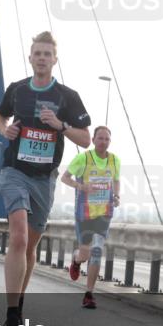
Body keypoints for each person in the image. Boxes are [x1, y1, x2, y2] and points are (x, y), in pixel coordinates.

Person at [0, 31, 91, 326]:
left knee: (30, 246)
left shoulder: (67, 96)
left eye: (47, 54)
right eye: (37, 53)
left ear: (55, 60)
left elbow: (85, 139)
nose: (42, 58)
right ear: (30, 57)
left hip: (44, 179)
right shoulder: (17, 90)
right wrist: (4, 130)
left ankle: (20, 301)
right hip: (14, 171)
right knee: (19, 237)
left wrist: (60, 125)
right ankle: (12, 314)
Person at [61, 126, 120, 309]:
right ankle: (76, 260)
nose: (103, 142)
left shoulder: (114, 160)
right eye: (100, 138)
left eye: (107, 139)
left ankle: (89, 294)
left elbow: (116, 180)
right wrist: (82, 187)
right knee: (85, 254)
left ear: (110, 142)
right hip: (84, 214)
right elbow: (65, 178)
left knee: (97, 251)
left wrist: (116, 196)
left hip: (104, 213)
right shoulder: (83, 158)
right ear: (93, 140)